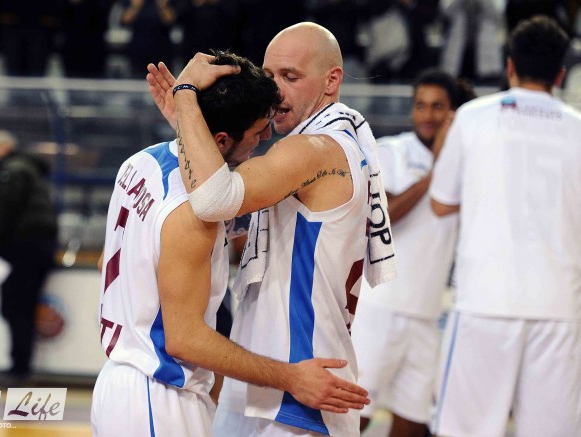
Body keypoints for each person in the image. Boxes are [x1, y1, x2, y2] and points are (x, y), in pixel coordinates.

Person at [91, 51, 369, 437]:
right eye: (257, 132)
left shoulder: (139, 163)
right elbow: (186, 340)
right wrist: (291, 377)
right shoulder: (193, 211)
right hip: (159, 396)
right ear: (221, 139)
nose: (267, 137)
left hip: (116, 385)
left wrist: (190, 122)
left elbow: (108, 258)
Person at [147, 22, 396, 437]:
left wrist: (187, 97)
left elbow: (213, 199)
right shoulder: (324, 147)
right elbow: (223, 214)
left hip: (300, 385)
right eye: (269, 75)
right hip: (270, 379)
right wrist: (192, 131)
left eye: (291, 77)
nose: (275, 90)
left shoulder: (315, 150)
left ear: (332, 80)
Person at [429, 15, 581, 437]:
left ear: (509, 65)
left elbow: (441, 203)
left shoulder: (473, 117)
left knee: (464, 431)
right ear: (561, 74)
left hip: (485, 300)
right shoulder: (578, 129)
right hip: (559, 306)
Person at [351, 69, 475, 437]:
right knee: (353, 416)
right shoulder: (393, 151)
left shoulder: (468, 162)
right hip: (380, 308)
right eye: (421, 105)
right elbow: (384, 216)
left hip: (427, 313)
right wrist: (436, 171)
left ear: (453, 114)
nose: (427, 115)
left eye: (437, 107)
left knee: (413, 422)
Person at [0, 130, 58, 380]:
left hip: (21, 248)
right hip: (40, 247)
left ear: (2, 148)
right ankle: (21, 365)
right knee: (24, 306)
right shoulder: (29, 169)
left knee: (16, 307)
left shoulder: (10, 171)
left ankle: (19, 368)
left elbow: (5, 205)